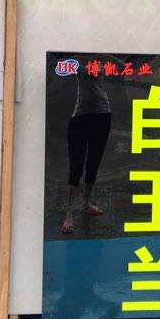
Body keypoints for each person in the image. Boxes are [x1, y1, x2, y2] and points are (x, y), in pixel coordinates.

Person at [62, 60, 112, 234]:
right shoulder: (78, 61)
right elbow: (63, 63)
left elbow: (122, 66)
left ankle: (85, 203)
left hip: (102, 114)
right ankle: (69, 212)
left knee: (93, 163)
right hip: (80, 117)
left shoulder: (104, 59)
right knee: (76, 167)